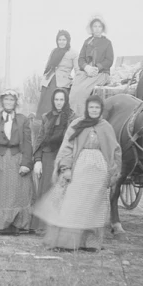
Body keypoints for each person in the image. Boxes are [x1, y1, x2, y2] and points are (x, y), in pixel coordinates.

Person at [34, 95, 121, 252]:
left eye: (97, 107)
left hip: (98, 172)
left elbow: (115, 150)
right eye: (91, 107)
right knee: (72, 204)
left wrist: (113, 172)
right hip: (79, 168)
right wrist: (66, 168)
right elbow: (67, 147)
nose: (94, 110)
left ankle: (90, 243)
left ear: (101, 110)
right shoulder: (77, 124)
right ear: (86, 108)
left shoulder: (106, 127)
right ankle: (66, 242)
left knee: (93, 207)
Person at [0, 89, 34, 235]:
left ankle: (16, 224)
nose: (9, 102)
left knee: (17, 191)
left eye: (12, 100)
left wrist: (25, 163)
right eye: (6, 99)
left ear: (16, 102)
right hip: (0, 158)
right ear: (2, 101)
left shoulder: (23, 119)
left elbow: (28, 143)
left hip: (17, 157)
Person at [31, 88, 75, 232]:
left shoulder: (72, 117)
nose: (59, 103)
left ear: (66, 100)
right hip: (48, 156)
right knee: (46, 189)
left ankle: (58, 225)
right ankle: (42, 226)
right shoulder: (47, 117)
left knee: (61, 190)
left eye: (62, 99)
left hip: (63, 156)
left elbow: (72, 140)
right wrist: (37, 159)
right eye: (56, 99)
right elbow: (40, 140)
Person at [69, 16, 114, 115]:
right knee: (74, 90)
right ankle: (73, 114)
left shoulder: (107, 43)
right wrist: (86, 67)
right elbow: (81, 59)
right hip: (86, 72)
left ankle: (82, 116)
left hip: (101, 73)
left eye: (99, 26)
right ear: (91, 28)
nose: (97, 29)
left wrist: (97, 67)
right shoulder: (87, 42)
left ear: (102, 28)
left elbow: (109, 60)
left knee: (83, 91)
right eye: (95, 26)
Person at [35, 30, 79, 118]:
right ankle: (42, 122)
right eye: (59, 40)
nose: (61, 42)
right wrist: (43, 81)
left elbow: (77, 70)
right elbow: (47, 67)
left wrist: (75, 83)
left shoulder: (73, 53)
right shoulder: (54, 51)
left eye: (64, 40)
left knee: (57, 103)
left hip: (63, 82)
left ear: (68, 41)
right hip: (49, 80)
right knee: (44, 105)